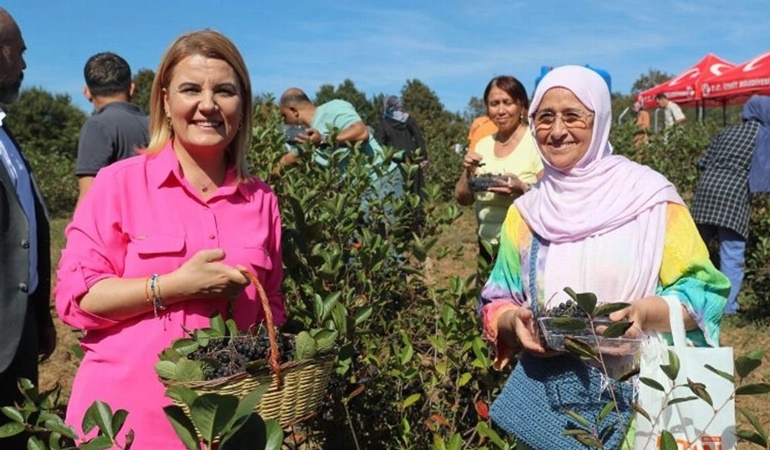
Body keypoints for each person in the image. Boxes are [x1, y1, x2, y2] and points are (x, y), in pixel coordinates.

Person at [54, 30, 285, 449]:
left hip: (229, 426)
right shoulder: (117, 185)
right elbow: (75, 301)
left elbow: (274, 308)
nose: (208, 104)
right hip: (128, 422)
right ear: (164, 99)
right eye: (191, 89)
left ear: (243, 104)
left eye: (225, 90)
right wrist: (174, 286)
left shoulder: (262, 200)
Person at [479, 66, 727, 449]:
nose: (557, 130)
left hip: (644, 398)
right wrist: (515, 323)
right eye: (545, 117)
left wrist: (643, 313)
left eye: (573, 116)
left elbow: (703, 291)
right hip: (555, 406)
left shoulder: (651, 199)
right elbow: (498, 300)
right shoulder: (526, 214)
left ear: (600, 121)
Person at [0, 8, 57, 449]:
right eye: (18, 53)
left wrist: (39, 314)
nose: (23, 66)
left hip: (17, 334)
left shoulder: (5, 135)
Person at [690, 96, 770, 315]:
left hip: (706, 192)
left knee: (697, 251)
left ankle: (689, 300)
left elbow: (703, 162)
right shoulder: (763, 137)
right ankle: (728, 307)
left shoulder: (727, 131)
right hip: (733, 197)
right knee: (732, 253)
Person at [454, 75, 543, 269]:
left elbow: (552, 197)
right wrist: (468, 172)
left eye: (507, 102)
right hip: (487, 248)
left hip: (524, 249)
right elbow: (463, 199)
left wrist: (522, 188)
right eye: (494, 104)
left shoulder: (536, 143)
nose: (501, 110)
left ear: (521, 105)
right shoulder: (483, 145)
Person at [76, 52, 149, 206]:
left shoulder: (97, 126)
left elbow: (88, 197)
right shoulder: (156, 125)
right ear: (131, 88)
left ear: (87, 92)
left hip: (119, 226)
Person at [374, 95, 428, 198]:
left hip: (394, 163)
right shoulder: (408, 119)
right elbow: (419, 139)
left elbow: (379, 145)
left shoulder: (384, 122)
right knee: (415, 194)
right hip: (412, 161)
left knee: (398, 195)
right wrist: (423, 158)